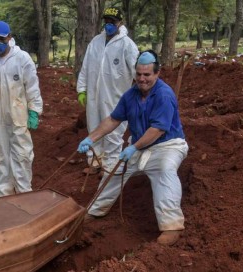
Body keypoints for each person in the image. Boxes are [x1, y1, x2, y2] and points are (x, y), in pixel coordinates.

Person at [77, 51, 189, 246]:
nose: (142, 79)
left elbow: (157, 130)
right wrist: (90, 138)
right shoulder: (130, 95)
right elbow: (113, 119)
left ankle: (171, 226)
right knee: (115, 171)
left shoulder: (164, 94)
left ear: (157, 73)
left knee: (164, 170)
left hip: (167, 145)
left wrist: (133, 148)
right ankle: (95, 211)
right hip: (139, 146)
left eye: (147, 75)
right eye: (139, 74)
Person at [0, 20, 43, 197]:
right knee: (0, 157)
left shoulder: (22, 59)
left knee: (22, 154)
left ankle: (24, 194)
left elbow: (32, 87)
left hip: (18, 116)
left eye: (2, 38)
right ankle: (4, 196)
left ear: (10, 37)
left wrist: (34, 110)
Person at [76, 7, 138, 175]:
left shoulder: (127, 45)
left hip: (115, 97)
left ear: (120, 23)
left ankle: (110, 166)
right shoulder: (95, 42)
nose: (109, 25)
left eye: (113, 22)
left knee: (113, 132)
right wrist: (82, 89)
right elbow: (86, 67)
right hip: (94, 96)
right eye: (107, 21)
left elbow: (137, 72)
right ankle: (95, 161)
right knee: (94, 128)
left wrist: (139, 94)